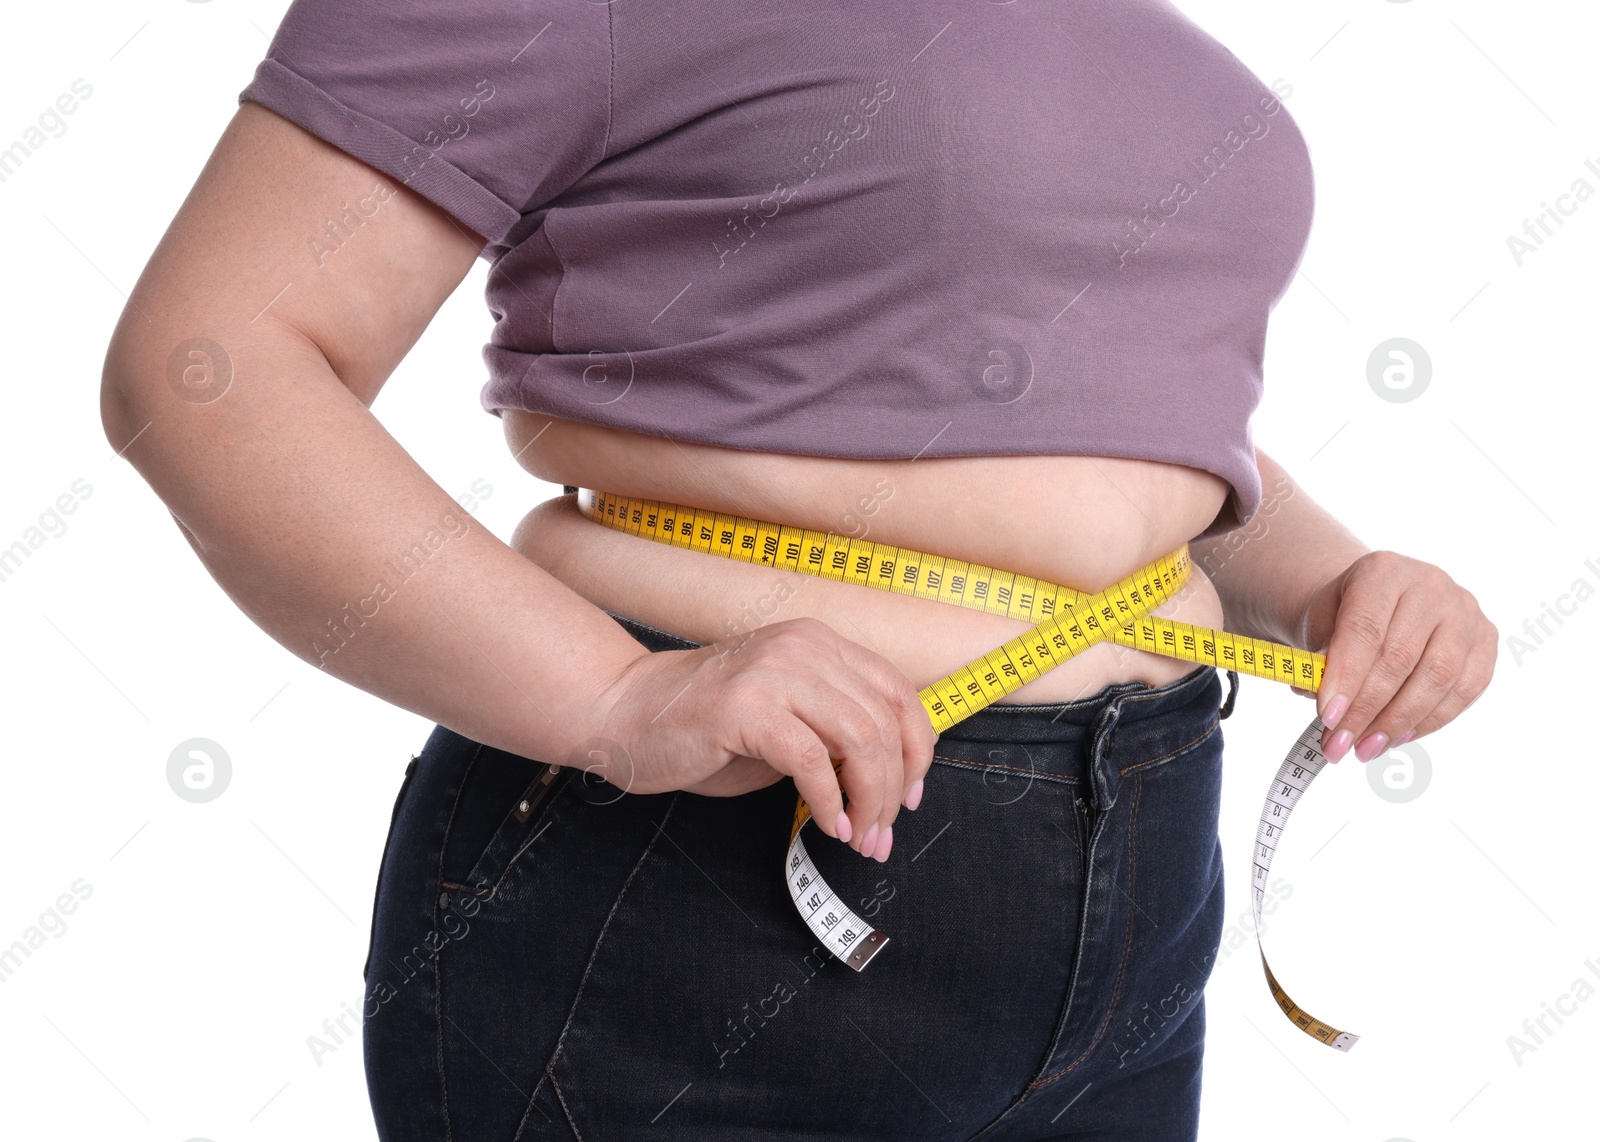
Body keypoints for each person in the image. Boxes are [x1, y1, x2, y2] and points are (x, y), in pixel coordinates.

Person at [99, 1, 1497, 1138]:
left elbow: (1125, 451)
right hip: (697, 899)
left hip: (1141, 884)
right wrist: (612, 697)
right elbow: (205, 365)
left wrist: (1337, 582)